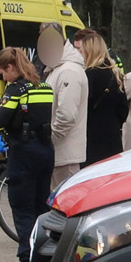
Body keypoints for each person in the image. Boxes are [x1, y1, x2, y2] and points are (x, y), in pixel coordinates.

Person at [0, 46, 56, 262]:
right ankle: (46, 257)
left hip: (24, 152)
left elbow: (1, 120)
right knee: (41, 207)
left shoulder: (15, 90)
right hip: (45, 150)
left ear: (11, 67)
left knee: (22, 207)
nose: (3, 77)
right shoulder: (44, 86)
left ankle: (27, 260)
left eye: (2, 72)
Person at [40, 22, 87, 189]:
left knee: (65, 201)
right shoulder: (58, 69)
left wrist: (49, 140)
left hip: (64, 155)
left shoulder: (68, 71)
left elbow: (66, 115)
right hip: (60, 154)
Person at [79, 29, 128, 167]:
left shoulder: (88, 75)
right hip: (112, 136)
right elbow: (124, 110)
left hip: (92, 137)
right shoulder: (116, 74)